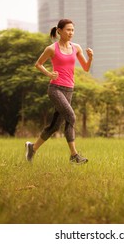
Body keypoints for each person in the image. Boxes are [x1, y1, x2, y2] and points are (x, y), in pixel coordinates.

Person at [25, 19, 93, 164]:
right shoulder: (51, 48)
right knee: (71, 116)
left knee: (55, 125)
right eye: (68, 30)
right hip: (55, 89)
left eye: (73, 30)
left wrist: (91, 58)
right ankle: (74, 156)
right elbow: (38, 64)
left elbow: (86, 68)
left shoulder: (76, 48)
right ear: (59, 31)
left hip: (69, 89)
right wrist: (49, 74)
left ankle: (33, 148)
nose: (71, 33)